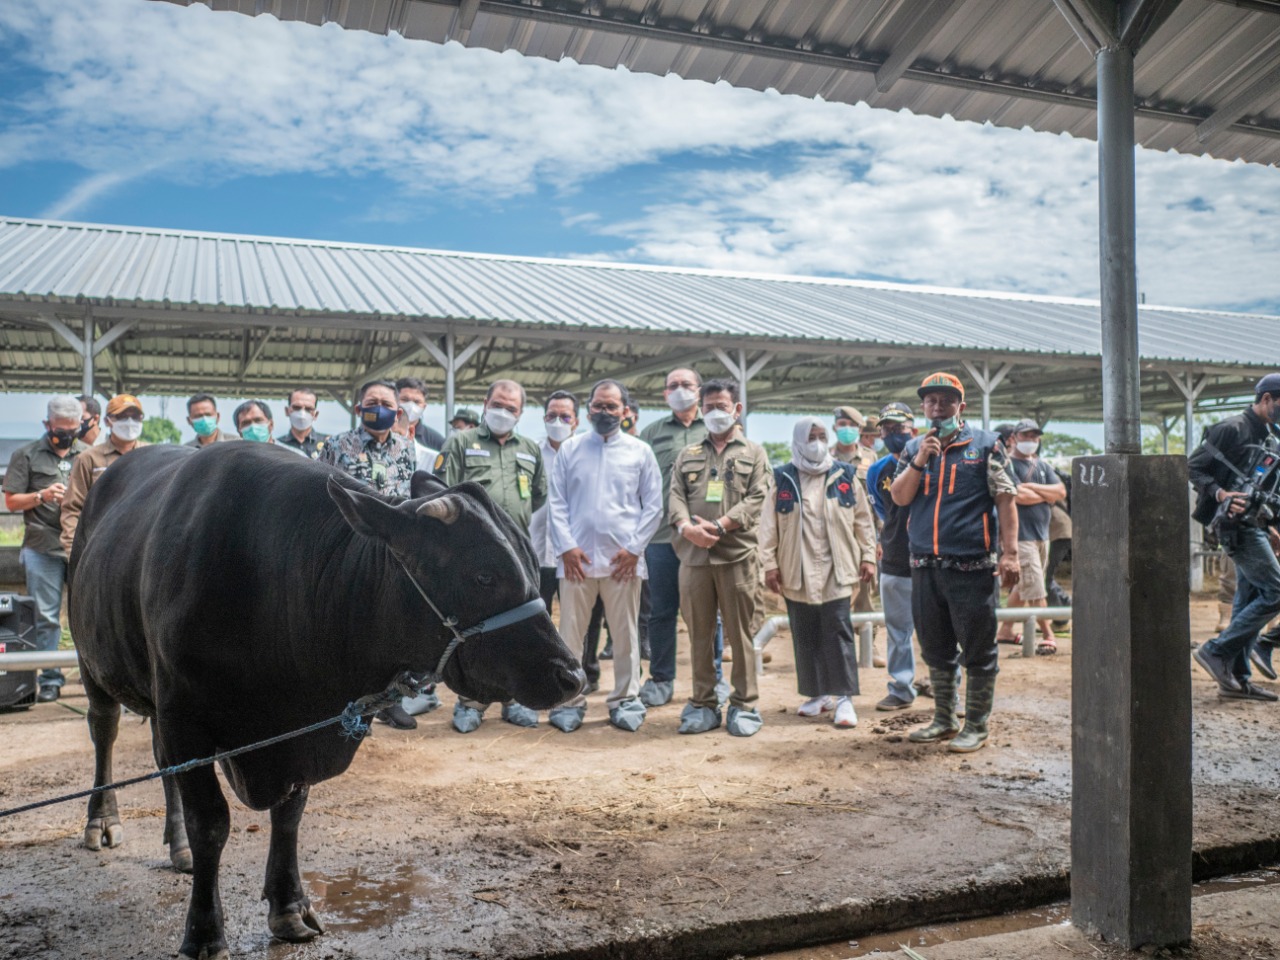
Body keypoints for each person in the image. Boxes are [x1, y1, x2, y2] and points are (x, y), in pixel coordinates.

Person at [890, 372, 1020, 753]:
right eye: (931, 401)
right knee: (934, 645)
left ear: (961, 407)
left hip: (972, 566)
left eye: (946, 400)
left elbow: (1006, 500)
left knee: (979, 648)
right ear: (923, 407)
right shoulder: (914, 447)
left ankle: (976, 724)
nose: (937, 407)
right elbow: (899, 498)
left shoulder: (985, 445)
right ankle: (944, 717)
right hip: (925, 565)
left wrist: (1010, 554)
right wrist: (919, 460)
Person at [548, 379, 662, 733]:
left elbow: (654, 506)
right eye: (598, 405)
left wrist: (634, 550)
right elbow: (556, 502)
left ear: (625, 411)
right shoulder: (570, 449)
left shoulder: (640, 451)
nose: (604, 412)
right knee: (570, 635)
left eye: (612, 406)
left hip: (622, 564)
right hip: (575, 563)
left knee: (626, 635)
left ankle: (626, 699)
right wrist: (566, 547)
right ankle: (569, 700)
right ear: (588, 409)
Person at [435, 379, 548, 732]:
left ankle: (515, 698)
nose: (503, 412)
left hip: (517, 555)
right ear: (485, 404)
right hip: (475, 557)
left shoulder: (530, 447)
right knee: (477, 629)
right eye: (498, 405)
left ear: (520, 413)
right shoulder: (460, 443)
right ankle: (472, 701)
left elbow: (538, 496)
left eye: (511, 408)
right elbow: (441, 492)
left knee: (519, 629)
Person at [668, 379, 772, 736]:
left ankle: (744, 704)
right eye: (708, 406)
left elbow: (758, 497)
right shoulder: (688, 454)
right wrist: (686, 528)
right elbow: (675, 497)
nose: (714, 413)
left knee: (741, 634)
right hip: (694, 558)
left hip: (736, 556)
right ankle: (702, 703)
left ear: (737, 409)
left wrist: (719, 525)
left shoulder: (754, 453)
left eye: (721, 406)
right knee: (698, 633)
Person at [760, 417, 875, 729]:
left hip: (837, 567)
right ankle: (817, 694)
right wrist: (769, 563)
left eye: (822, 436)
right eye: (811, 437)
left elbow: (863, 520)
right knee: (805, 632)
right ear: (799, 440)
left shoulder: (844, 474)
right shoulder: (783, 477)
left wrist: (868, 556)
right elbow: (768, 526)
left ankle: (844, 699)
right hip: (795, 568)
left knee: (837, 631)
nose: (817, 442)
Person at [1188, 373, 1280, 702]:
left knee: (1246, 601)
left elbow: (1266, 487)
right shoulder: (1231, 428)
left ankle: (1236, 679)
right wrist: (1220, 492)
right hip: (1232, 524)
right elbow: (1193, 467)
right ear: (1266, 399)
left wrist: (1272, 526)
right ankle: (1215, 650)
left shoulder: (1270, 438)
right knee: (1276, 592)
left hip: (1255, 524)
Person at [2, 395, 90, 702]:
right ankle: (51, 678)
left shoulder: (88, 455)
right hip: (42, 546)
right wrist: (41, 495)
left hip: (82, 545)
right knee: (47, 616)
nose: (67, 433)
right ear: (47, 425)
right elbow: (11, 501)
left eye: (73, 427)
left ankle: (93, 674)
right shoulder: (26, 455)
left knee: (87, 612)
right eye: (60, 428)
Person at [638, 367, 714, 708]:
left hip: (704, 535)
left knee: (710, 611)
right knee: (661, 611)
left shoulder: (716, 427)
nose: (680, 390)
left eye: (686, 384)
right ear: (664, 394)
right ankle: (661, 678)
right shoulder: (651, 433)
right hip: (661, 536)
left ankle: (713, 678)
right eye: (673, 386)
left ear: (699, 391)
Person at [529, 391, 601, 692]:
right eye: (551, 416)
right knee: (537, 617)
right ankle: (541, 674)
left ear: (576, 421)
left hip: (577, 554)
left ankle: (588, 671)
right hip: (537, 552)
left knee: (586, 617)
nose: (557, 421)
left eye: (565, 416)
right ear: (544, 418)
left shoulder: (589, 452)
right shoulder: (531, 452)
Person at [864, 401, 920, 711]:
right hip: (897, 558)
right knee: (898, 629)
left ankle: (947, 688)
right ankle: (901, 688)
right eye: (886, 429)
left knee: (941, 628)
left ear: (914, 430)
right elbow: (883, 512)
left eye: (898, 429)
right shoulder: (877, 470)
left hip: (933, 558)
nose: (892, 434)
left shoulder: (933, 462)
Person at [995, 420, 1067, 654]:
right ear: (1014, 438)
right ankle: (1048, 634)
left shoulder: (1043, 465)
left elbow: (1060, 492)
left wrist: (1031, 488)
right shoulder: (1006, 464)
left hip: (1042, 535)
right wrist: (1044, 493)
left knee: (1023, 586)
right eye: (1026, 436)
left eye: (1035, 437)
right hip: (1020, 537)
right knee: (1035, 588)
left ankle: (1005, 630)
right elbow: (1017, 496)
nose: (1031, 441)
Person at [60, 394, 149, 555]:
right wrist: (73, 552)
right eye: (122, 416)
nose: (130, 422)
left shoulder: (154, 456)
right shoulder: (88, 459)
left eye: (135, 417)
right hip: (99, 548)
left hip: (143, 547)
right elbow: (72, 508)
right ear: (108, 421)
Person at [832, 405, 883, 667]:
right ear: (834, 428)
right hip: (832, 537)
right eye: (841, 424)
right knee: (834, 594)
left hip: (862, 536)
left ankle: (868, 644)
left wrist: (878, 540)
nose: (846, 429)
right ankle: (839, 648)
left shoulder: (871, 459)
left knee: (865, 592)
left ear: (860, 430)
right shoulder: (825, 457)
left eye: (851, 425)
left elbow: (877, 503)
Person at [320, 380, 418, 498]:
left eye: (386, 404)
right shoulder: (336, 445)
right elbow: (318, 487)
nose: (379, 410)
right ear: (359, 410)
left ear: (397, 414)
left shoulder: (407, 447)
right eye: (372, 403)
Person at [393, 377, 440, 471]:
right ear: (394, 400)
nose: (411, 405)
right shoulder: (379, 433)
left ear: (424, 406)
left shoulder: (437, 442)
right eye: (405, 399)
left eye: (417, 402)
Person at [278, 387, 330, 459]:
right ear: (287, 411)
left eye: (308, 409)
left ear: (316, 415)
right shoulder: (277, 445)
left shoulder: (328, 444)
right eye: (297, 407)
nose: (302, 413)